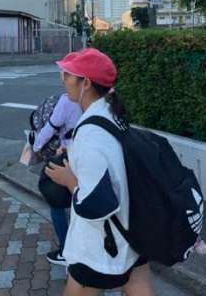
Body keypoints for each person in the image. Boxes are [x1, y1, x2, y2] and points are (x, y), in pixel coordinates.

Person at [46, 48, 154, 296]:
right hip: (132, 227)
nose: (63, 80)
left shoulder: (91, 133)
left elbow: (97, 203)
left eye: (67, 75)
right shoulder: (112, 115)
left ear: (85, 83)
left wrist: (69, 180)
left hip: (102, 240)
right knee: (138, 284)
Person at [32, 83, 82, 266]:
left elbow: (50, 127)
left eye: (67, 75)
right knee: (80, 201)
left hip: (68, 156)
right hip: (86, 156)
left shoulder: (68, 100)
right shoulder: (101, 100)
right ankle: (81, 246)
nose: (63, 80)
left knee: (56, 201)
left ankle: (66, 250)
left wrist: (36, 147)